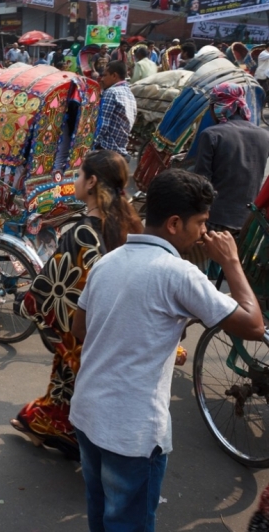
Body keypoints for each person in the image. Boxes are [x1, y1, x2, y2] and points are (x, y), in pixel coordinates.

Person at [70, 169, 264, 531]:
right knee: (129, 523)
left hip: (87, 414)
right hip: (131, 434)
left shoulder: (107, 262)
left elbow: (80, 329)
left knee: (101, 516)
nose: (205, 233)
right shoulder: (178, 274)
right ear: (175, 223)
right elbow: (253, 324)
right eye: (201, 222)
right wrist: (232, 262)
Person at [11, 150, 143, 461]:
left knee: (68, 353)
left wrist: (25, 302)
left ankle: (62, 427)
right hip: (121, 327)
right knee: (65, 376)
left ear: (92, 181)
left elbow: (54, 288)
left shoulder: (82, 231)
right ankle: (49, 423)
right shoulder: (129, 222)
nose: (76, 180)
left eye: (79, 175)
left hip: (89, 330)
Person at [193, 83, 269, 232]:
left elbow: (202, 183)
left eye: (211, 107)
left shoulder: (212, 135)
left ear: (219, 107)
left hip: (215, 219)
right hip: (248, 222)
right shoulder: (264, 135)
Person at [94, 61, 137, 159]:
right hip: (121, 148)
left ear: (114, 76)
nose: (102, 79)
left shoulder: (111, 92)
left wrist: (90, 145)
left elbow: (102, 125)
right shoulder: (129, 93)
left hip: (107, 148)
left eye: (105, 75)